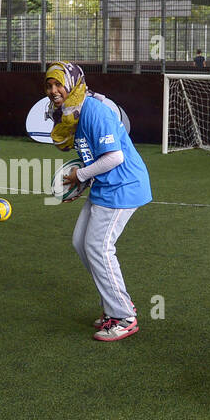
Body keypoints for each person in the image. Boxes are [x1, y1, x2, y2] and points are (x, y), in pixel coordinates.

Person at [47, 61, 152, 342]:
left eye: (59, 83)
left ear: (73, 83)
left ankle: (124, 317)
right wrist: (82, 182)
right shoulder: (73, 112)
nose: (54, 90)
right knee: (81, 242)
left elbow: (115, 157)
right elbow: (94, 156)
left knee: (99, 247)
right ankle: (114, 306)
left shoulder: (94, 111)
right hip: (104, 186)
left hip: (124, 186)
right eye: (50, 84)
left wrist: (79, 174)